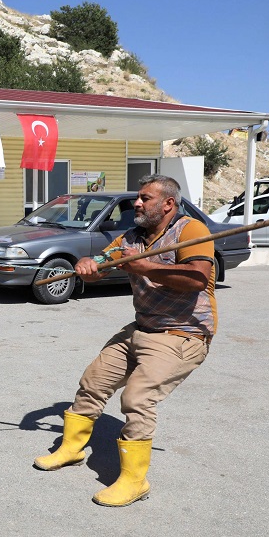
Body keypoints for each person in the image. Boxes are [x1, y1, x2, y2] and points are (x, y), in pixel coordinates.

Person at [34, 174, 215, 506]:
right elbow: (103, 261)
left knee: (137, 398)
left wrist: (146, 267)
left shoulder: (190, 231)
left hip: (182, 333)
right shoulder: (131, 238)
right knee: (93, 380)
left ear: (168, 204)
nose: (138, 203)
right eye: (138, 197)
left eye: (146, 198)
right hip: (142, 327)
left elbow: (197, 278)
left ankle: (134, 481)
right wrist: (89, 264)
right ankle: (72, 448)